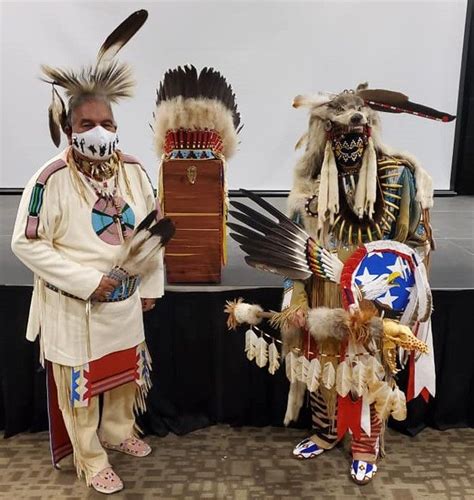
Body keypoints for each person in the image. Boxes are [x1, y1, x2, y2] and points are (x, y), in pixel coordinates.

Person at [11, 10, 162, 494]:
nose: (99, 130)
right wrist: (86, 281)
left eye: (107, 122)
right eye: (88, 123)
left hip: (124, 302)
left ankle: (118, 432)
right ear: (69, 126)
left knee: (123, 376)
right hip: (74, 308)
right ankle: (91, 458)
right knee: (80, 388)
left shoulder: (134, 171)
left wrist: (151, 286)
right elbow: (25, 242)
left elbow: (152, 232)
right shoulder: (50, 180)